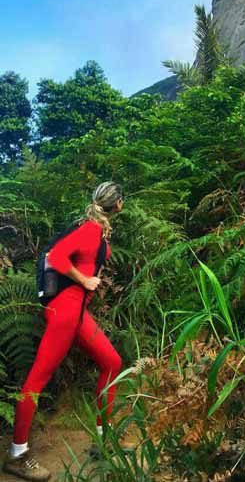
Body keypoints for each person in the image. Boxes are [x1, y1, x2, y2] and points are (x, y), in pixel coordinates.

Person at [3, 182, 124, 482]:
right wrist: (84, 280)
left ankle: (102, 439)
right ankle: (17, 455)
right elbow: (56, 257)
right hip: (64, 313)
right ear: (118, 203)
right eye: (122, 199)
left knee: (112, 363)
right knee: (36, 379)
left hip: (76, 313)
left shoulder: (95, 229)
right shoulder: (89, 230)